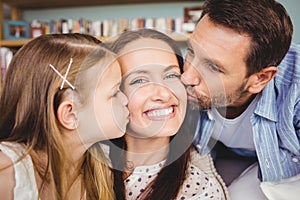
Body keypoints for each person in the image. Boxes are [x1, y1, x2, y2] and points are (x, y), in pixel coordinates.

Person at [181, 0, 300, 199]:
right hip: (225, 157)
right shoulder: (178, 70)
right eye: (191, 51)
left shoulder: (295, 86)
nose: (186, 78)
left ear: (260, 78)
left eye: (213, 68)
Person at [0, 33, 129, 200]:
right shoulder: (7, 172)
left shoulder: (100, 169)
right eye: (115, 92)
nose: (126, 100)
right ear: (71, 113)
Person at [108, 29, 226, 200]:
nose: (164, 94)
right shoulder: (82, 169)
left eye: (171, 75)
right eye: (140, 80)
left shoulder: (199, 190)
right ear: (113, 94)